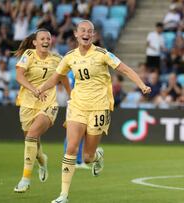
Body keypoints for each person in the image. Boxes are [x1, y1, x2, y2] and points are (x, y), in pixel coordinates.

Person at [38, 20, 151, 203]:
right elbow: (55, 78)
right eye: (83, 30)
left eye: (90, 31)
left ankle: (98, 156)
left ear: (93, 35)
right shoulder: (69, 57)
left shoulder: (102, 54)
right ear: (76, 34)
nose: (86, 33)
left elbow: (125, 69)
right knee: (72, 147)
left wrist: (141, 85)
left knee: (87, 157)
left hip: (99, 108)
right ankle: (63, 195)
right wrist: (40, 89)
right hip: (77, 106)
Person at [13, 28, 71, 193]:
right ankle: (42, 160)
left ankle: (25, 179)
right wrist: (33, 89)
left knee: (31, 135)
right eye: (42, 38)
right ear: (35, 42)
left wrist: (71, 97)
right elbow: (19, 76)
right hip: (27, 104)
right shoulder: (29, 55)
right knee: (32, 141)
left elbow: (64, 78)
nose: (46, 41)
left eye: (48, 38)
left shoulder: (57, 59)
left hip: (49, 104)